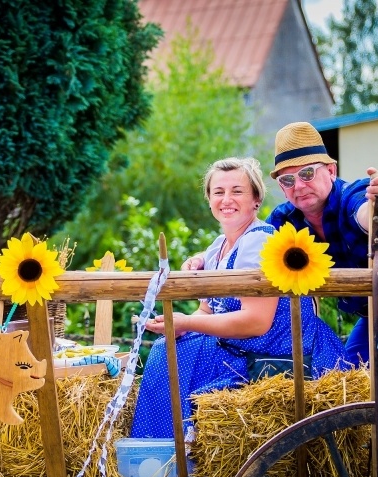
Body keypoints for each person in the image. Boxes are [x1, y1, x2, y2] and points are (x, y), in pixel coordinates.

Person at [131, 157, 351, 439]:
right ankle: (162, 450)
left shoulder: (259, 241)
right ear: (209, 200)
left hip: (279, 354)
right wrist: (180, 325)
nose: (226, 199)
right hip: (244, 347)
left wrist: (188, 322)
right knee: (169, 346)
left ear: (256, 200)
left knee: (171, 355)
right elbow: (207, 312)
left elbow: (256, 322)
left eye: (237, 191)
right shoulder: (217, 247)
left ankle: (166, 453)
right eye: (218, 192)